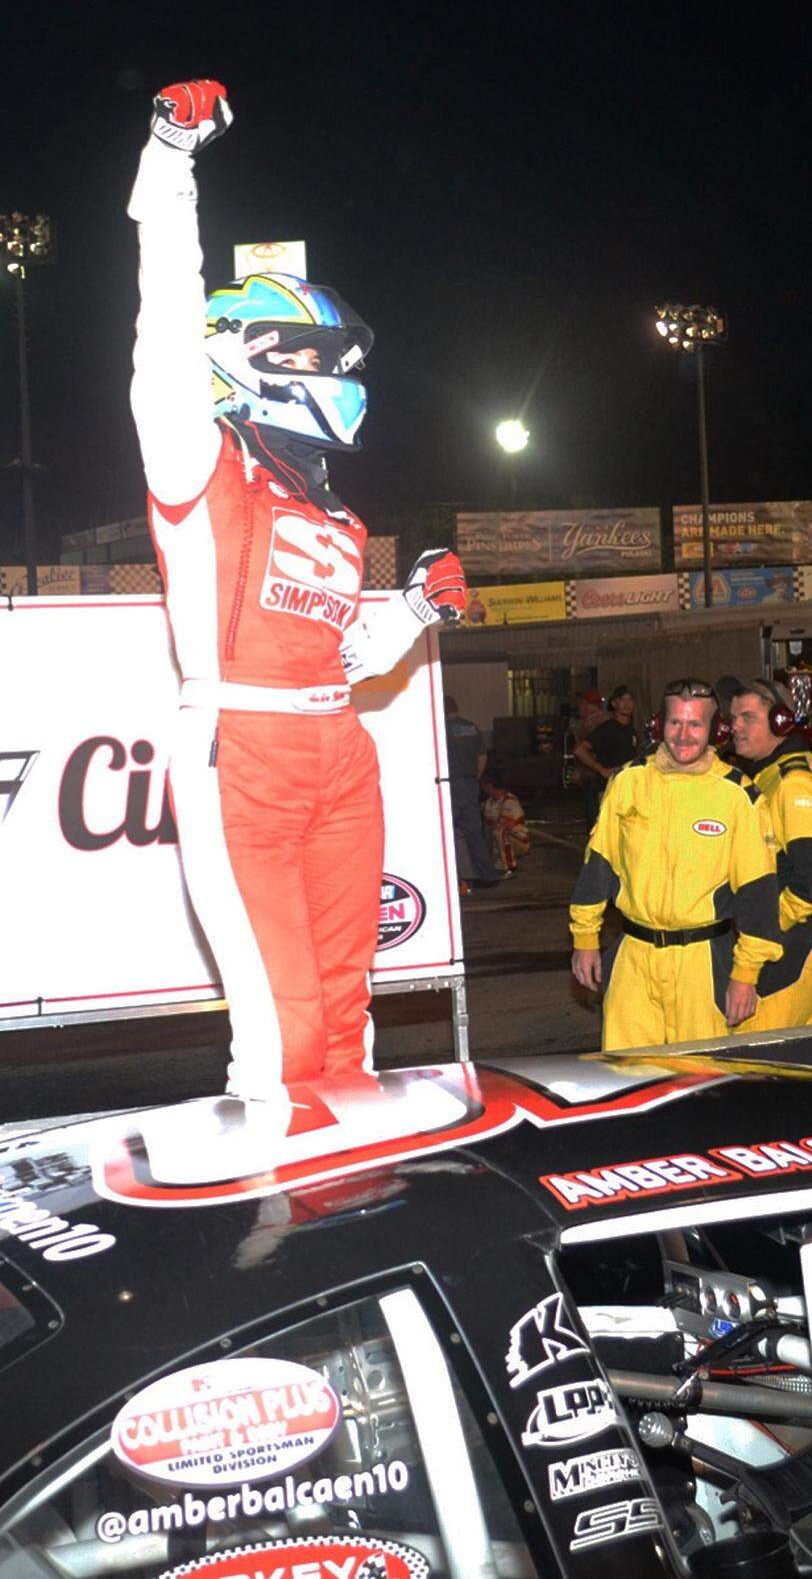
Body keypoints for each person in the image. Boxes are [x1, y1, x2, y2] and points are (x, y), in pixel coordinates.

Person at [127, 79, 467, 1106]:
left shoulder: (336, 512)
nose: (331, 371)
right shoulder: (198, 455)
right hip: (243, 751)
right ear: (248, 359)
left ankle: (348, 1211)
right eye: (311, 353)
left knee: (345, 1005)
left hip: (339, 753)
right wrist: (169, 162)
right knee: (279, 1028)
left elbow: (351, 661)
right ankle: (279, 1236)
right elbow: (164, 319)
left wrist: (411, 613)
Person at [569, 679, 783, 1049]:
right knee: (627, 1082)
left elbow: (758, 892)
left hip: (702, 965)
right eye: (675, 723)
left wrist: (745, 974)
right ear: (657, 725)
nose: (684, 735)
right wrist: (585, 938)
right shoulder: (628, 782)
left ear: (715, 730)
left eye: (695, 724)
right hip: (634, 959)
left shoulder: (738, 796)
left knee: (700, 1084)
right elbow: (598, 866)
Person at [728, 677, 812, 1030]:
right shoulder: (771, 774)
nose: (735, 727)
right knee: (795, 1057)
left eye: (748, 717)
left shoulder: (793, 783)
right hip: (794, 937)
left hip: (794, 939)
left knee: (757, 1053)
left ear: (780, 722)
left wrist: (767, 925)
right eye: (733, 718)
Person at [444, 697, 503, 887]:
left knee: (447, 833)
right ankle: (487, 875)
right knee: (474, 833)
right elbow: (482, 756)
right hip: (469, 784)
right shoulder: (471, 727)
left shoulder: (440, 729)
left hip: (448, 785)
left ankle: (455, 879)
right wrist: (475, 778)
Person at [574, 685, 638, 825]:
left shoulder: (631, 729)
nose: (626, 704)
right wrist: (602, 770)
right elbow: (580, 750)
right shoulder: (607, 728)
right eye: (622, 700)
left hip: (627, 789)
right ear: (614, 703)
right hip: (608, 789)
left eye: (630, 700)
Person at [482, 768, 530, 874]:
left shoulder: (509, 801)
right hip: (498, 841)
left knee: (500, 832)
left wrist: (490, 824)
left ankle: (508, 868)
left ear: (490, 785)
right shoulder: (489, 801)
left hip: (517, 840)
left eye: (484, 784)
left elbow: (506, 824)